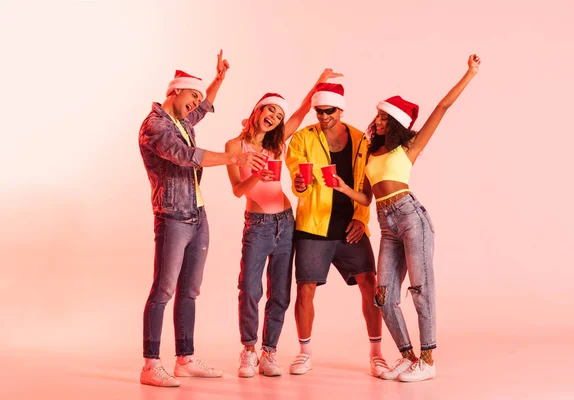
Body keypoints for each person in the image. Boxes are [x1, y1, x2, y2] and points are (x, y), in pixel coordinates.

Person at [331, 54, 481, 382]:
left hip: (411, 217)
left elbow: (441, 108)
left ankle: (427, 359)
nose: (378, 122)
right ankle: (407, 356)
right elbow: (368, 198)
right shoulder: (372, 152)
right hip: (386, 224)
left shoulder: (408, 147)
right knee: (382, 294)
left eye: (385, 118)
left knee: (420, 287)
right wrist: (344, 188)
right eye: (378, 117)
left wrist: (468, 74)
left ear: (396, 124)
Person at [138, 51, 267, 387]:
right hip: (172, 217)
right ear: (174, 91)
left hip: (197, 215)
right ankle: (151, 365)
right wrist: (235, 157)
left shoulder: (182, 121)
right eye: (191, 95)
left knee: (190, 291)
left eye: (197, 97)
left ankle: (185, 358)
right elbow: (186, 156)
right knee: (163, 290)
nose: (196, 102)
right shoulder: (156, 126)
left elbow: (204, 108)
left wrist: (218, 80)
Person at [225, 69, 343, 378]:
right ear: (258, 111)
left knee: (280, 292)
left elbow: (304, 111)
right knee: (250, 289)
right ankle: (249, 351)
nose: (275, 117)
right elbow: (238, 191)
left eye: (279, 115)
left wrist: (318, 82)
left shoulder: (276, 144)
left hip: (285, 223)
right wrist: (256, 174)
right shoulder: (234, 147)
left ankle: (269, 352)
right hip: (257, 224)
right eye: (270, 110)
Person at [285, 83, 389, 377]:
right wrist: (299, 184)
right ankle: (304, 353)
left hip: (351, 226)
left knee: (370, 283)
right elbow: (295, 173)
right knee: (305, 288)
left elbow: (367, 183)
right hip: (313, 225)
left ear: (340, 109)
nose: (322, 116)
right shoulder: (303, 138)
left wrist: (362, 218)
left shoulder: (360, 140)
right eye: (318, 111)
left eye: (328, 111)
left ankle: (376, 353)